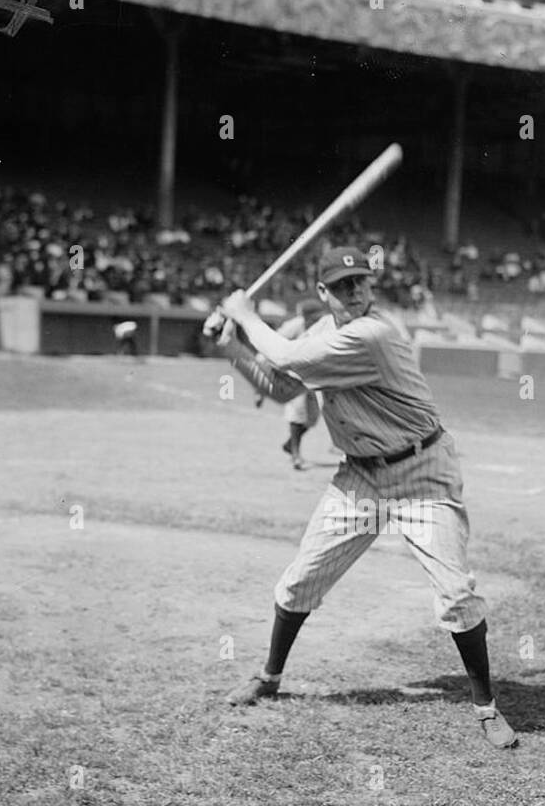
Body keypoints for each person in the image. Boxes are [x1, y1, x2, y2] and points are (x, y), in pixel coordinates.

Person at [213, 246, 517, 749]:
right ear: (323, 293)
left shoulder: (372, 334)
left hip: (422, 472)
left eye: (362, 283)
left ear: (372, 287)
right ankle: (269, 677)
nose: (355, 292)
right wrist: (233, 347)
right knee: (300, 582)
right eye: (343, 285)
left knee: (455, 594)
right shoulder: (322, 335)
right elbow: (282, 385)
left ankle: (486, 707)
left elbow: (285, 356)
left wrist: (244, 315)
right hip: (359, 478)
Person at [275, 298, 325, 469]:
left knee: (312, 418)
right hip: (293, 375)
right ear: (305, 317)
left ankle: (290, 444)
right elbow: (274, 343)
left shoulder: (323, 327)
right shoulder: (293, 326)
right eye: (313, 317)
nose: (317, 320)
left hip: (313, 376)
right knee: (297, 413)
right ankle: (296, 455)